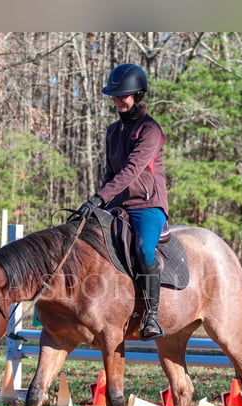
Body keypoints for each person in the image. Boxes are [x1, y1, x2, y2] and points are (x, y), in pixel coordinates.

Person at [73, 63, 169, 340]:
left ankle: (152, 315)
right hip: (117, 206)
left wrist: (99, 197)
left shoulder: (150, 129)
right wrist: (98, 204)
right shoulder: (113, 131)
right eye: (114, 96)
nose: (118, 100)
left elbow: (132, 170)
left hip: (147, 206)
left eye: (123, 95)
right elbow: (111, 172)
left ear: (138, 94)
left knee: (143, 250)